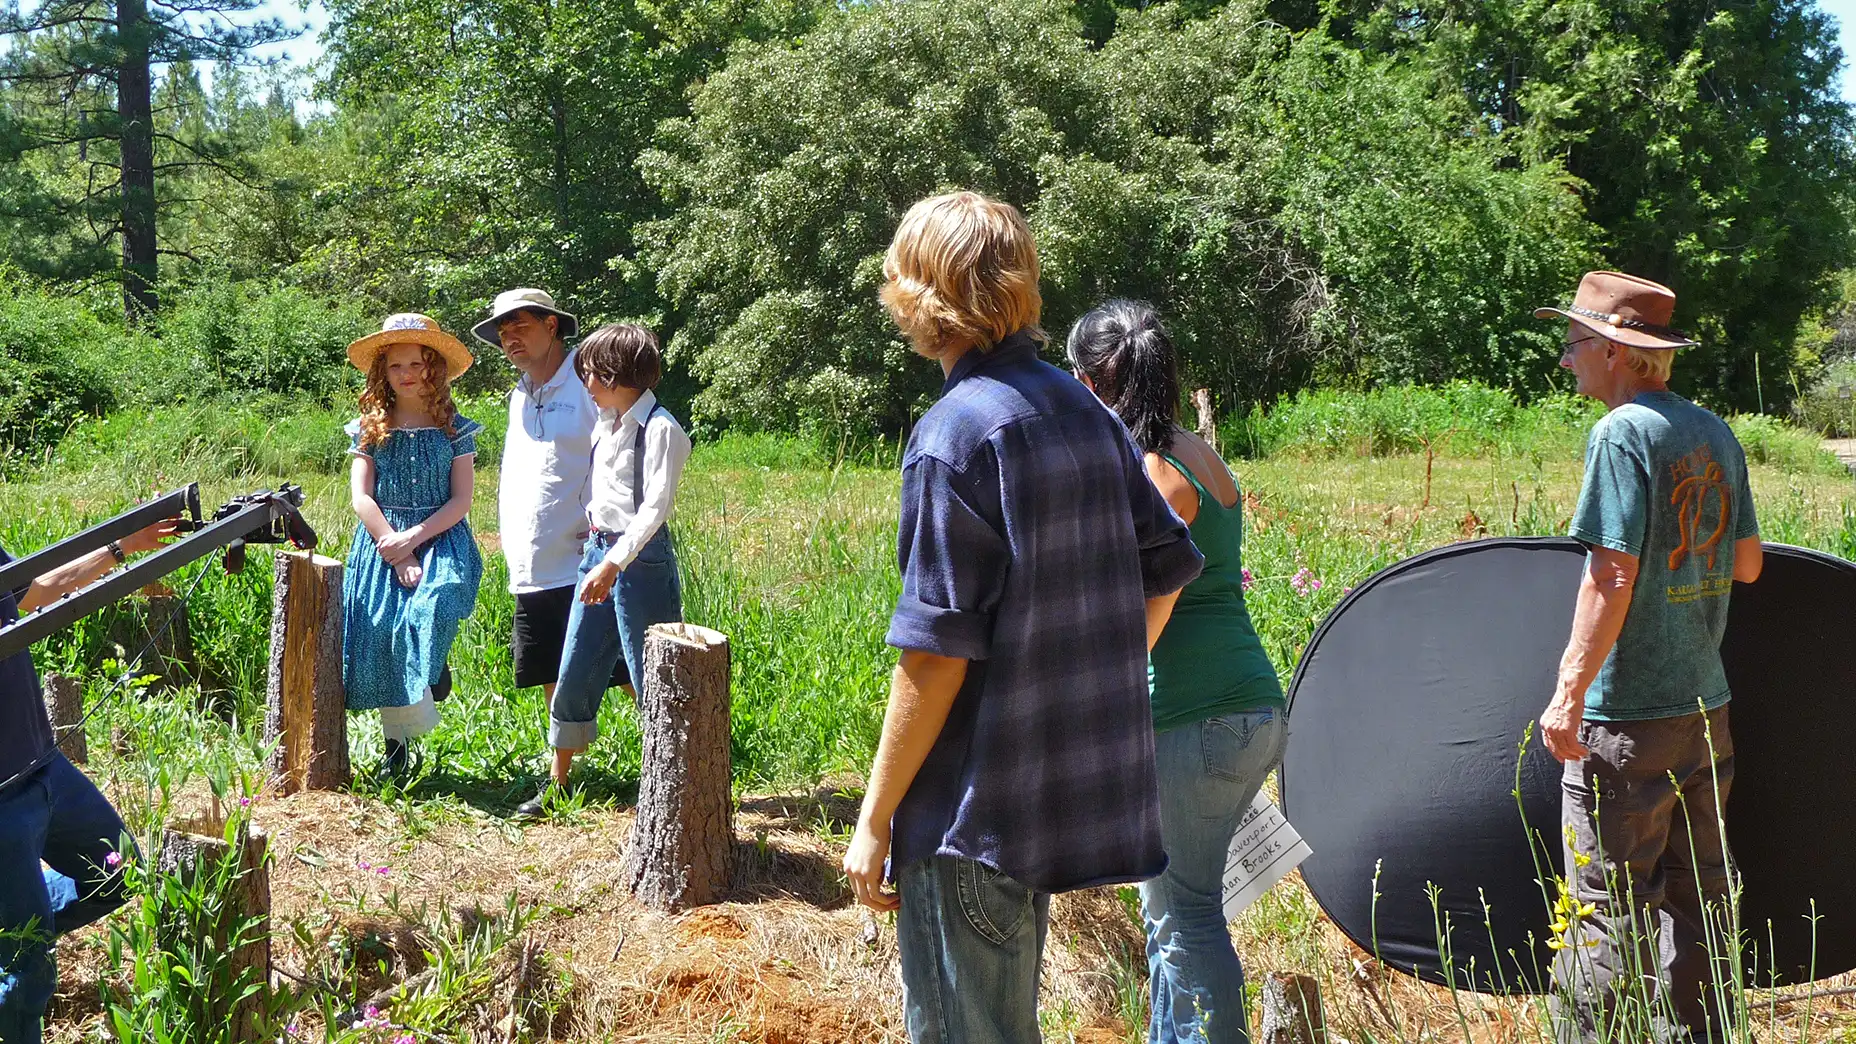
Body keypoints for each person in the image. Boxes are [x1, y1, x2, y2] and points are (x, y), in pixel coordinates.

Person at [841, 191, 1204, 1044]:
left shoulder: (952, 435)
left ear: (922, 293)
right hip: (1044, 802)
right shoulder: (1084, 410)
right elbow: (1170, 570)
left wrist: (873, 816)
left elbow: (935, 657)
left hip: (970, 818)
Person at [1534, 272, 1762, 1044]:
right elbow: (1749, 563)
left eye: (1574, 345)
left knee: (1603, 903)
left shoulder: (1621, 432)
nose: (1568, 362)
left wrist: (1569, 693)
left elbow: (1611, 572)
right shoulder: (1714, 432)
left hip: (1627, 719)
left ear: (1618, 353)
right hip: (1706, 710)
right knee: (1699, 901)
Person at [1067, 300, 1284, 1044]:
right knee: (1183, 912)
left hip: (1194, 718)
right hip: (1248, 707)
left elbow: (1140, 627)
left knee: (1182, 916)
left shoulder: (1157, 474)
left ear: (1096, 381)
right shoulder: (1197, 449)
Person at [0, 515, 178, 1044]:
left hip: (45, 767)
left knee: (120, 873)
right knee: (26, 975)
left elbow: (38, 589)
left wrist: (121, 548)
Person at [521, 323, 690, 816]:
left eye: (593, 374)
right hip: (596, 555)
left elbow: (654, 508)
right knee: (576, 659)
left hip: (640, 561)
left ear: (621, 375)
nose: (586, 384)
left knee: (650, 673)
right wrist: (593, 547)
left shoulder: (661, 429)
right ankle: (558, 783)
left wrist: (615, 563)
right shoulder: (606, 422)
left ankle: (668, 784)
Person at [470, 289, 624, 808]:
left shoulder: (587, 383)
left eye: (521, 326)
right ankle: (561, 779)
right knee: (549, 669)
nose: (509, 338)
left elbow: (619, 450)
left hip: (587, 557)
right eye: (502, 331)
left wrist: (606, 524)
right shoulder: (519, 394)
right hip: (532, 557)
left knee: (625, 667)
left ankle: (678, 760)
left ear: (552, 326)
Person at [341, 313, 485, 776]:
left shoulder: (455, 428)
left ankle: (434, 664)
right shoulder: (370, 427)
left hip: (440, 535)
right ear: (382, 372)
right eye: (396, 365)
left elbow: (461, 500)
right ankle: (396, 752)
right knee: (383, 630)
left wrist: (415, 541)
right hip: (381, 537)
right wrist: (393, 545)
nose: (406, 374)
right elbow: (360, 496)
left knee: (434, 605)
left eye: (417, 364)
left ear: (435, 369)